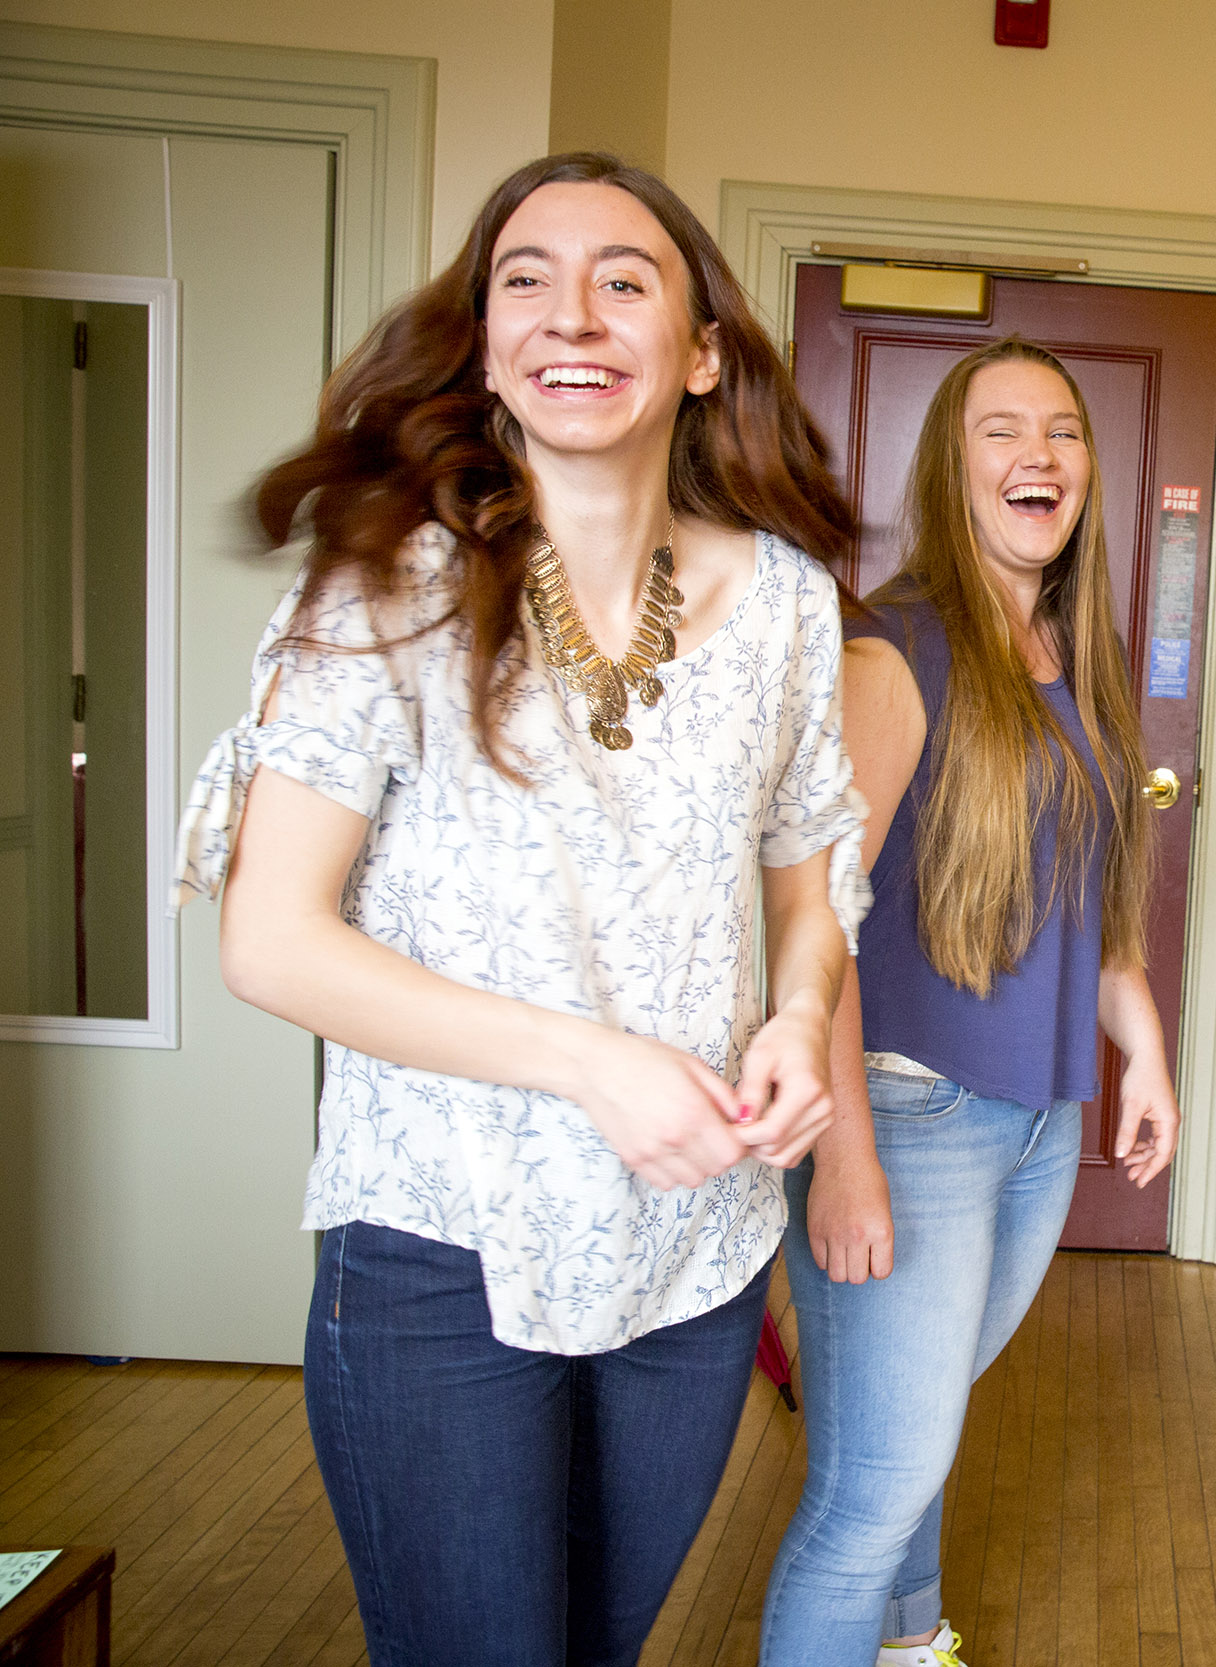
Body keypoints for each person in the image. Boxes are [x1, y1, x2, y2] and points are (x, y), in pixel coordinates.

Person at [175, 153, 876, 1665]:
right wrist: (589, 1059)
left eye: (627, 278)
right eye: (526, 277)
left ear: (698, 355)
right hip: (439, 1246)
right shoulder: (386, 583)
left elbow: (815, 875)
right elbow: (270, 936)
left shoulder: (787, 609)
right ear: (488, 344)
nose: (575, 310)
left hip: (692, 1256)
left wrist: (803, 1012)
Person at [760, 337, 1180, 1667]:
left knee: (920, 1423)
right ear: (952, 464)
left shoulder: (1070, 651)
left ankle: (910, 1639)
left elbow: (1091, 893)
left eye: (1061, 430)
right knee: (867, 1489)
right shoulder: (892, 648)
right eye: (1001, 430)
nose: (1038, 456)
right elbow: (810, 917)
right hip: (908, 1106)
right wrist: (844, 1158)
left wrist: (1146, 1052)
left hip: (1039, 1117)